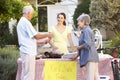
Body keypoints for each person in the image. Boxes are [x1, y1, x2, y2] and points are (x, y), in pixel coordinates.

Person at [17, 5, 52, 80]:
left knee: (25, 75)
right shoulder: (25, 22)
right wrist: (48, 35)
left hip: (25, 51)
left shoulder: (22, 22)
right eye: (32, 14)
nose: (31, 16)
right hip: (28, 52)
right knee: (29, 76)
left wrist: (43, 42)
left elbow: (31, 39)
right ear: (28, 13)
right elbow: (36, 36)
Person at [71, 13, 99, 80]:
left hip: (89, 57)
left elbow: (88, 44)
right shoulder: (86, 30)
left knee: (90, 78)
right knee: (95, 77)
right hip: (93, 57)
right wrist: (77, 55)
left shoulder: (86, 31)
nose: (78, 23)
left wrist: (79, 47)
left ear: (84, 22)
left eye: (79, 21)